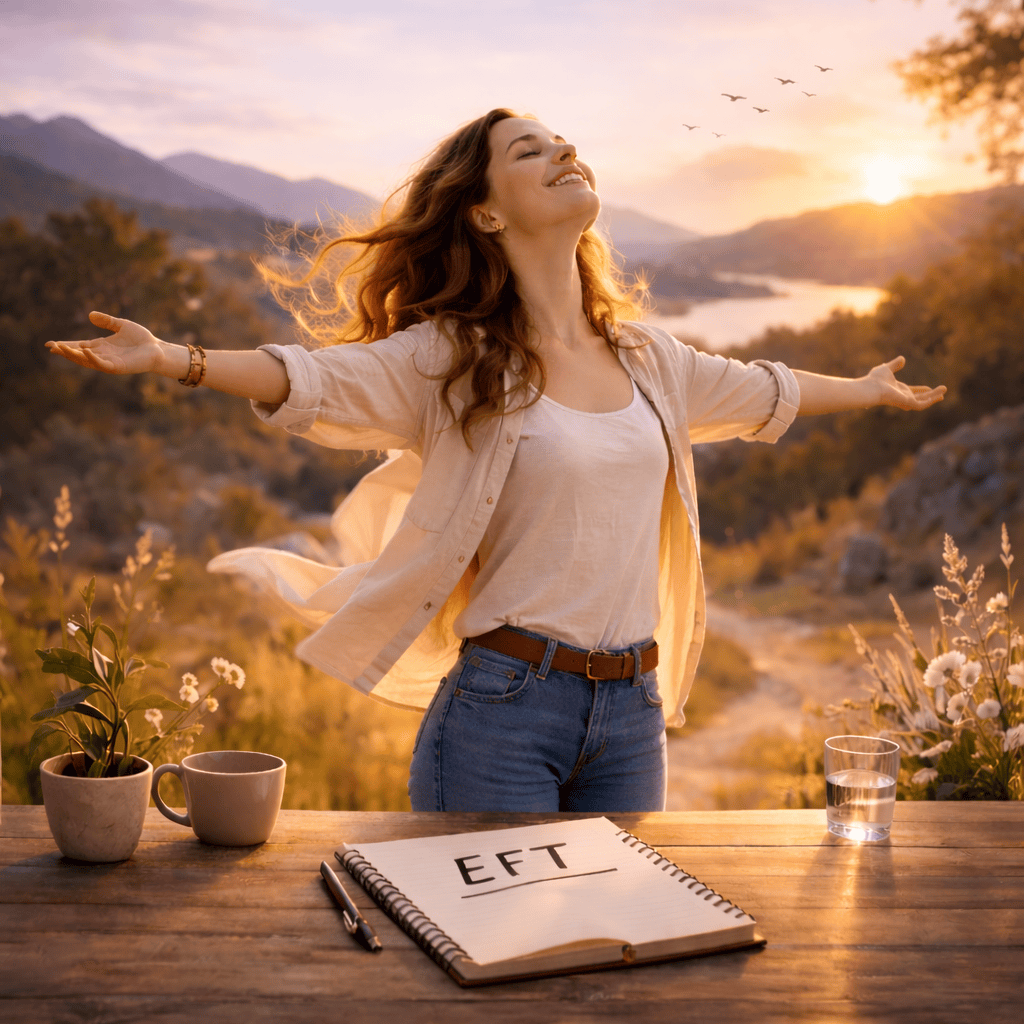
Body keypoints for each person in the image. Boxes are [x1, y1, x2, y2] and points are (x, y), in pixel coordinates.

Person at [47, 108, 946, 813]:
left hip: (634, 714)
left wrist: (868, 389)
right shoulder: (452, 358)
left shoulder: (653, 361)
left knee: (615, 965)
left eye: (563, 143)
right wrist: (174, 359)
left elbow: (767, 389)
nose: (564, 152)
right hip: (504, 713)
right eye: (529, 152)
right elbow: (310, 381)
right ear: (484, 209)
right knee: (487, 967)